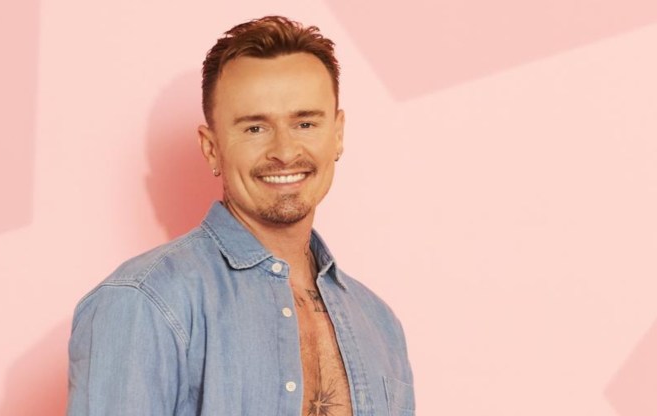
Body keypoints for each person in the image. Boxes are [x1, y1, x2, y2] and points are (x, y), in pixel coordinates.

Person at [67, 15, 415, 416]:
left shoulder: (379, 324)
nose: (284, 151)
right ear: (211, 147)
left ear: (337, 134)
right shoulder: (144, 303)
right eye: (255, 128)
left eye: (305, 123)